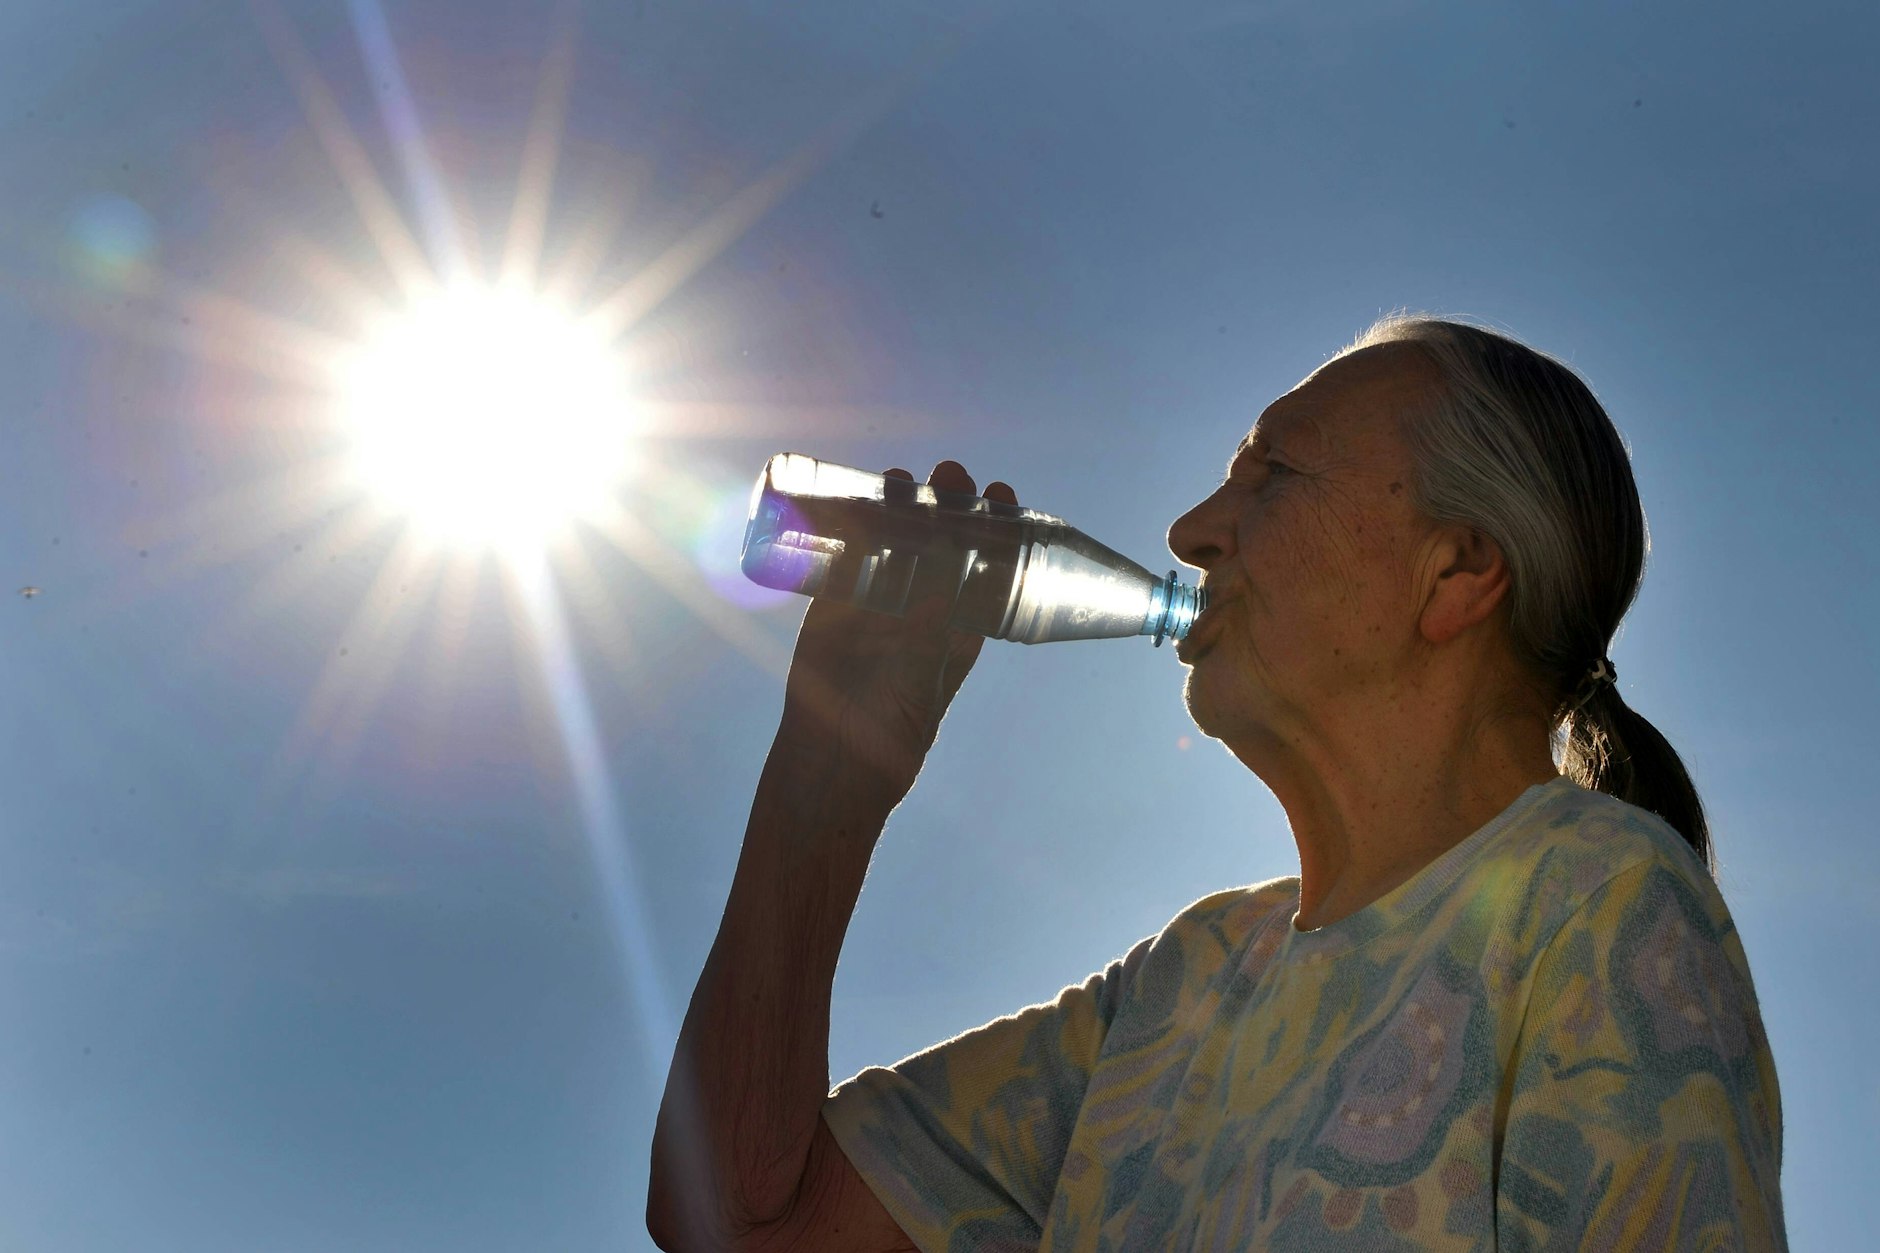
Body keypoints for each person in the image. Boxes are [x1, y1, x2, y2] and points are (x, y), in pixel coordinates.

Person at [647, 316, 1786, 1250]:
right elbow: (738, 1218)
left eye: (1272, 472)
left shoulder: (1595, 900)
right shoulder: (1184, 984)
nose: (1191, 532)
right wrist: (827, 779)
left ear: (1456, 568)